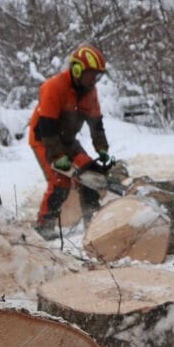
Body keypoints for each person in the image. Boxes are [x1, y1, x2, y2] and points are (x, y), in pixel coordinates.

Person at [29, 44, 115, 239]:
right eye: (91, 74)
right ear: (77, 70)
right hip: (43, 139)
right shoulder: (53, 87)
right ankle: (44, 224)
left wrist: (102, 148)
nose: (94, 80)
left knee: (91, 174)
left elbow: (96, 123)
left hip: (68, 140)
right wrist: (58, 157)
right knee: (61, 182)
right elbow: (47, 127)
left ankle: (92, 220)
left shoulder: (90, 92)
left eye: (97, 76)